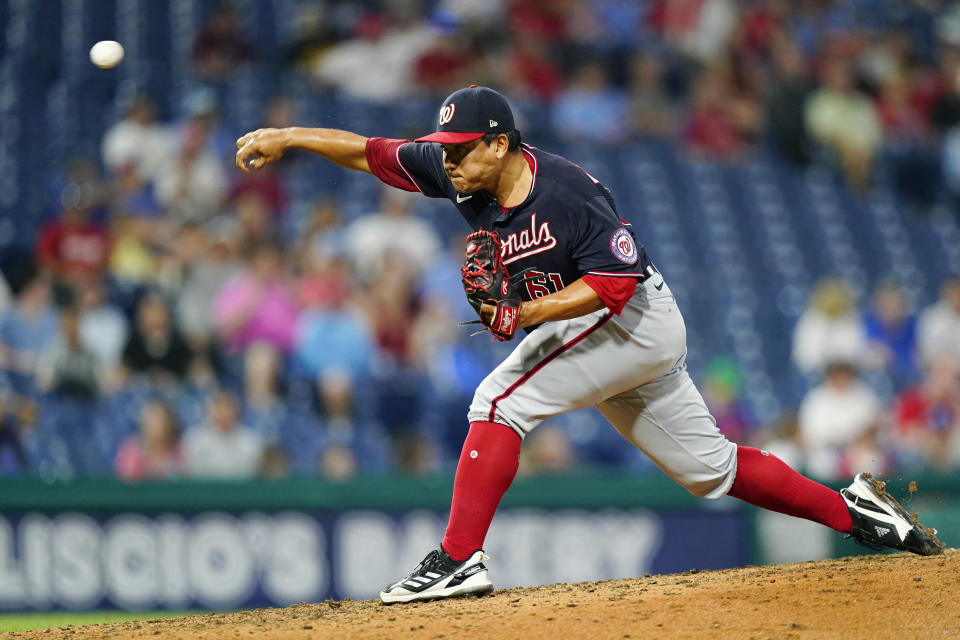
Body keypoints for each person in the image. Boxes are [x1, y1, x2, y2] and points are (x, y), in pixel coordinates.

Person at [235, 85, 943, 604]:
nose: (446, 163)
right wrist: (290, 135)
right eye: (443, 151)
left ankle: (457, 559)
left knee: (499, 399)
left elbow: (615, 284)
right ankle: (857, 512)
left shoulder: (566, 192)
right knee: (711, 471)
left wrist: (530, 309)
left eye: (459, 151)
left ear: (498, 145)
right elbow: (368, 152)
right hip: (617, 336)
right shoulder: (457, 171)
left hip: (631, 316)